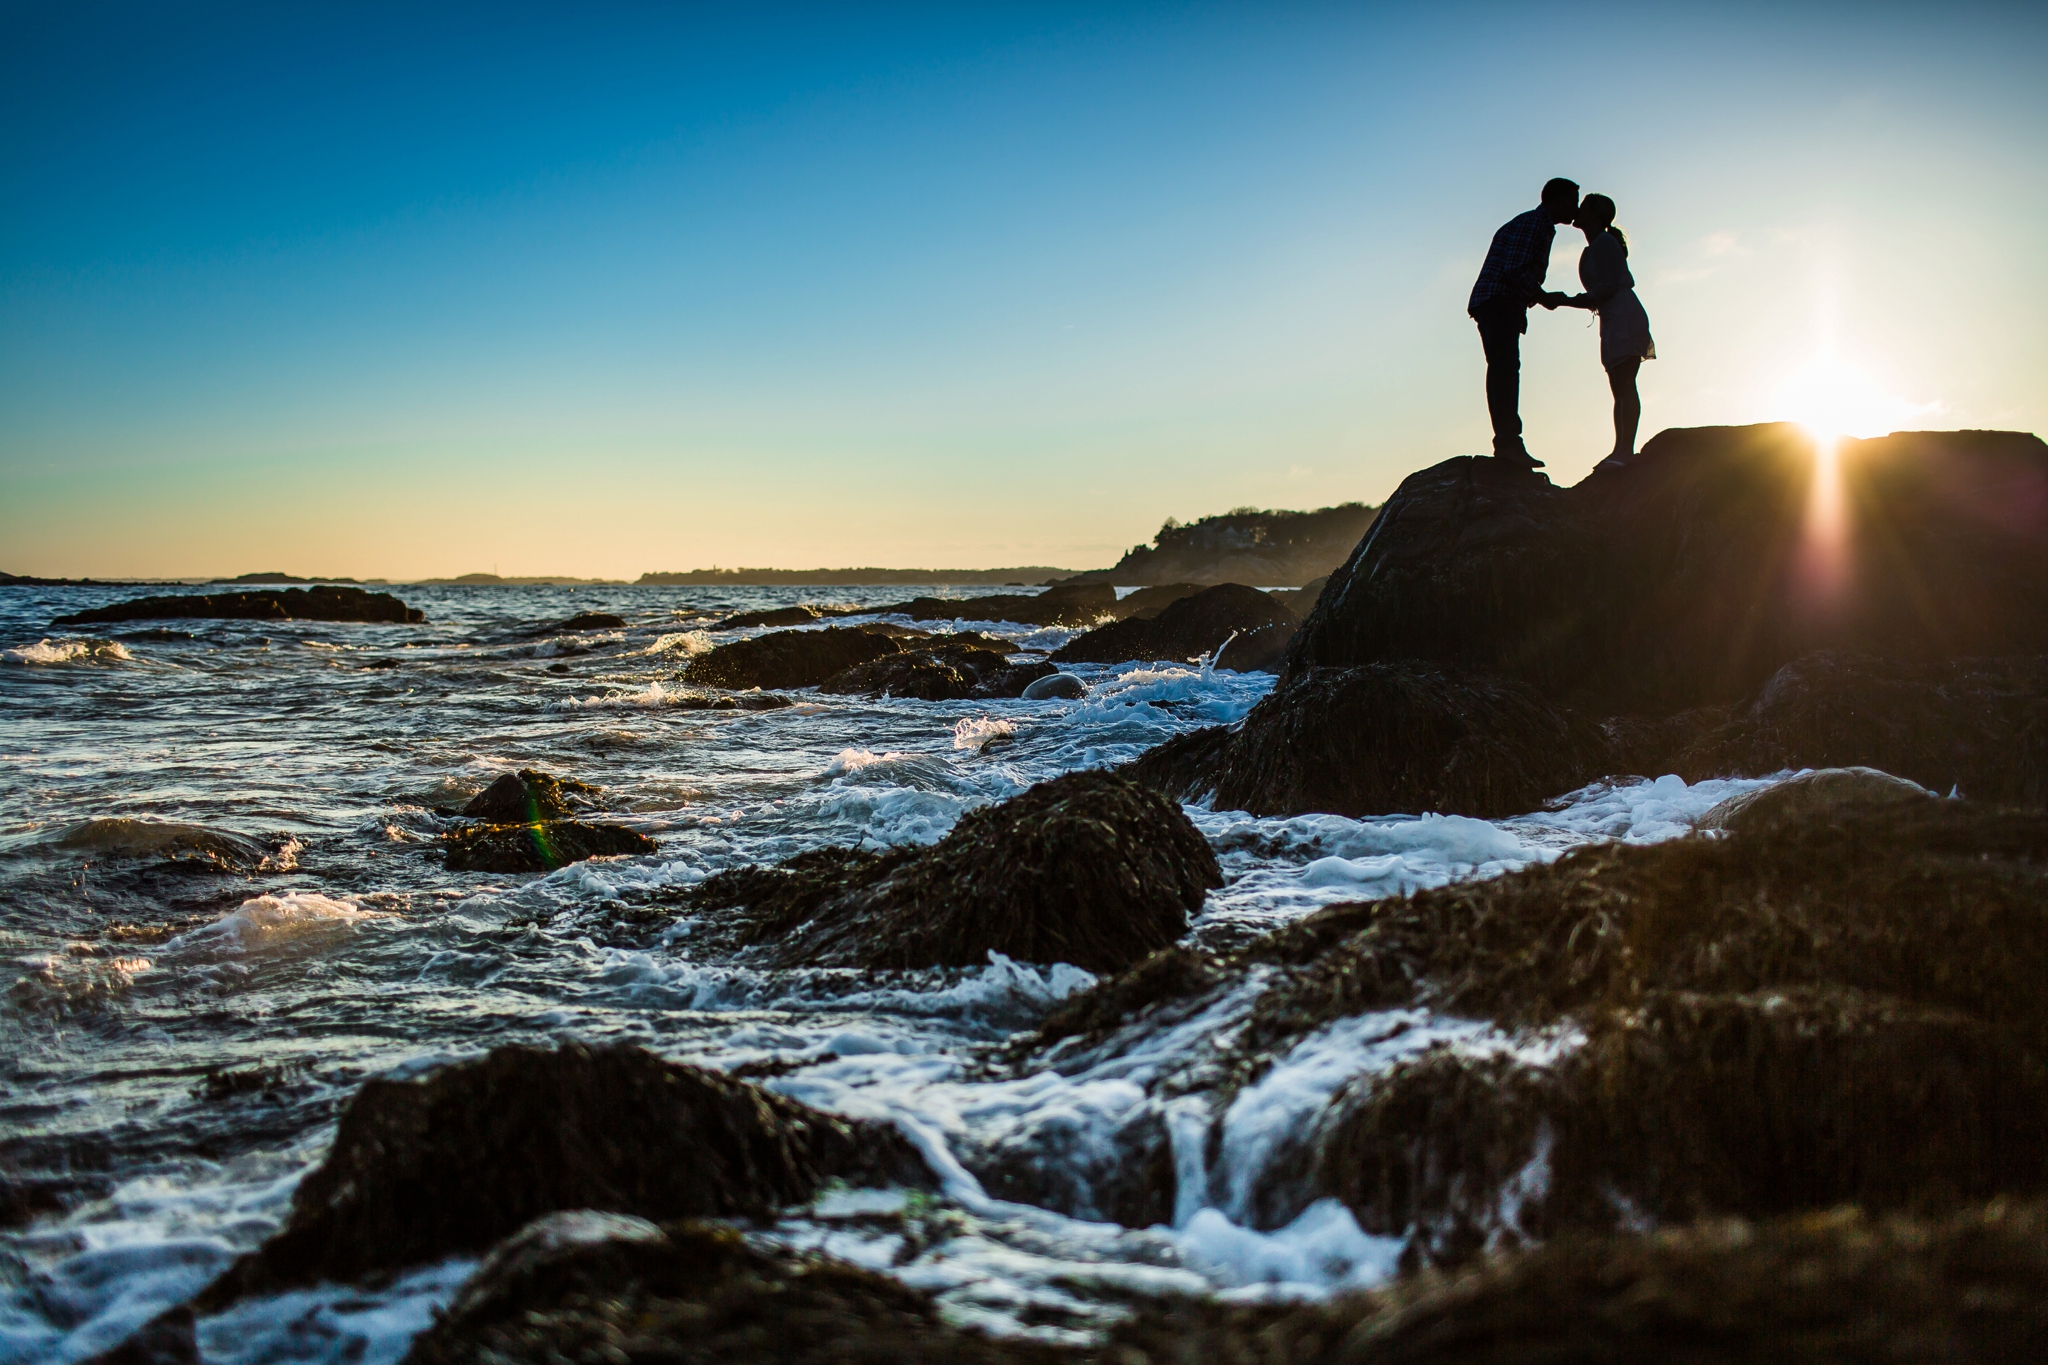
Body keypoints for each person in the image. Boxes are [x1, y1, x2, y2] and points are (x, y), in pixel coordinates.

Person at [1467, 177, 1580, 470]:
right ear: (1557, 200)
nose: (1576, 208)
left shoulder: (1536, 225)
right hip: (1498, 301)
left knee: (1503, 368)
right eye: (1572, 201)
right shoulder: (1533, 225)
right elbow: (1514, 270)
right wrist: (1543, 297)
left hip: (1498, 302)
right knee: (1505, 369)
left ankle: (1508, 441)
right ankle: (1508, 443)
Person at [1551, 193, 1656, 467]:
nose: (1578, 210)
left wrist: (1563, 300)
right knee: (1618, 388)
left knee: (1625, 385)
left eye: (1584, 206)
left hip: (1623, 316)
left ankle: (1625, 451)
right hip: (1611, 318)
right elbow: (1600, 292)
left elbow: (1606, 287)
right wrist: (1566, 300)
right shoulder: (1595, 247)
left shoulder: (1604, 243)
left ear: (1596, 214)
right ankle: (1620, 449)